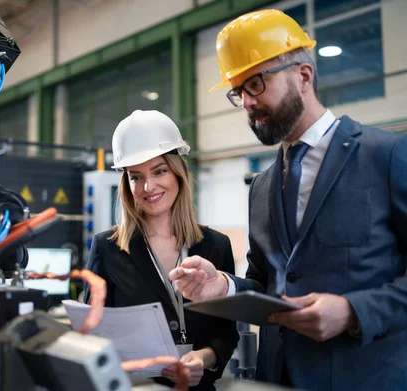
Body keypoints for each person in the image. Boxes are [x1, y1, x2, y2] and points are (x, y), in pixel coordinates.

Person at [169, 9, 407, 391]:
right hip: (276, 379)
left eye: (256, 84)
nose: (246, 102)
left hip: (364, 376)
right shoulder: (262, 187)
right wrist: (225, 286)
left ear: (304, 75)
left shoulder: (386, 156)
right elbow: (269, 285)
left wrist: (353, 312)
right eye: (239, 92)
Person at [84, 110, 238, 390]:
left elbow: (226, 332)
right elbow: (89, 333)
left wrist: (203, 359)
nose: (148, 186)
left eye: (159, 171)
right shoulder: (107, 249)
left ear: (178, 172)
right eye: (136, 176)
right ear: (126, 184)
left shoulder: (216, 246)